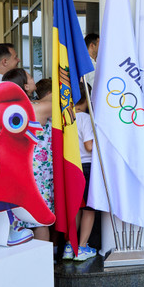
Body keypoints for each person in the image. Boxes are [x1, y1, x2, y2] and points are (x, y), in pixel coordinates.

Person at [2, 68, 54, 241]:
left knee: (17, 217)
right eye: (31, 78)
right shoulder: (36, 108)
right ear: (25, 86)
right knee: (39, 218)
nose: (34, 80)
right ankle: (41, 263)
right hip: (36, 172)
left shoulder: (4, 108)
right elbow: (62, 104)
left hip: (13, 169)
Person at [63, 84, 97, 261]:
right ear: (87, 98)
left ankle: (70, 245)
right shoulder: (84, 118)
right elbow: (89, 146)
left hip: (70, 166)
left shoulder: (66, 117)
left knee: (75, 207)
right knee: (89, 209)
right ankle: (82, 247)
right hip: (87, 167)